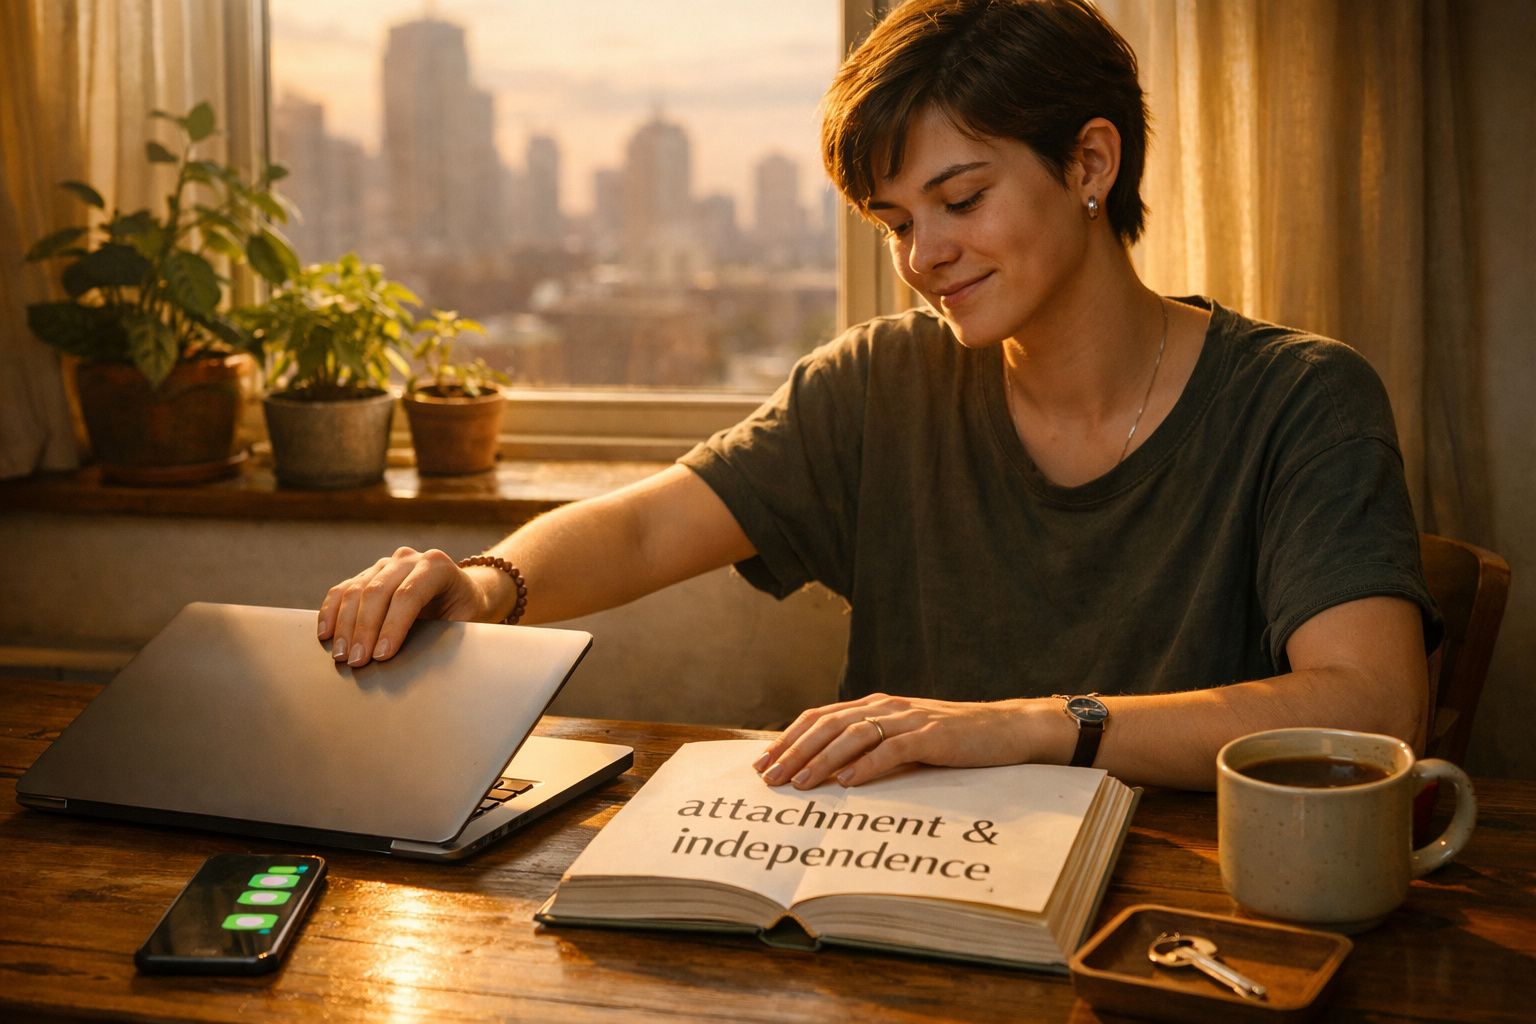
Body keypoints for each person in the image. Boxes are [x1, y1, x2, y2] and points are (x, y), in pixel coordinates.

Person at [318, 0, 1438, 792]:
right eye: (897, 223)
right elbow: (653, 523)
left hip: (1173, 925)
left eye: (961, 199)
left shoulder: (1300, 399)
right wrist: (484, 587)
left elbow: (1374, 703)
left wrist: (1023, 727)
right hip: (899, 905)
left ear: (1091, 164)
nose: (923, 257)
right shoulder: (881, 381)